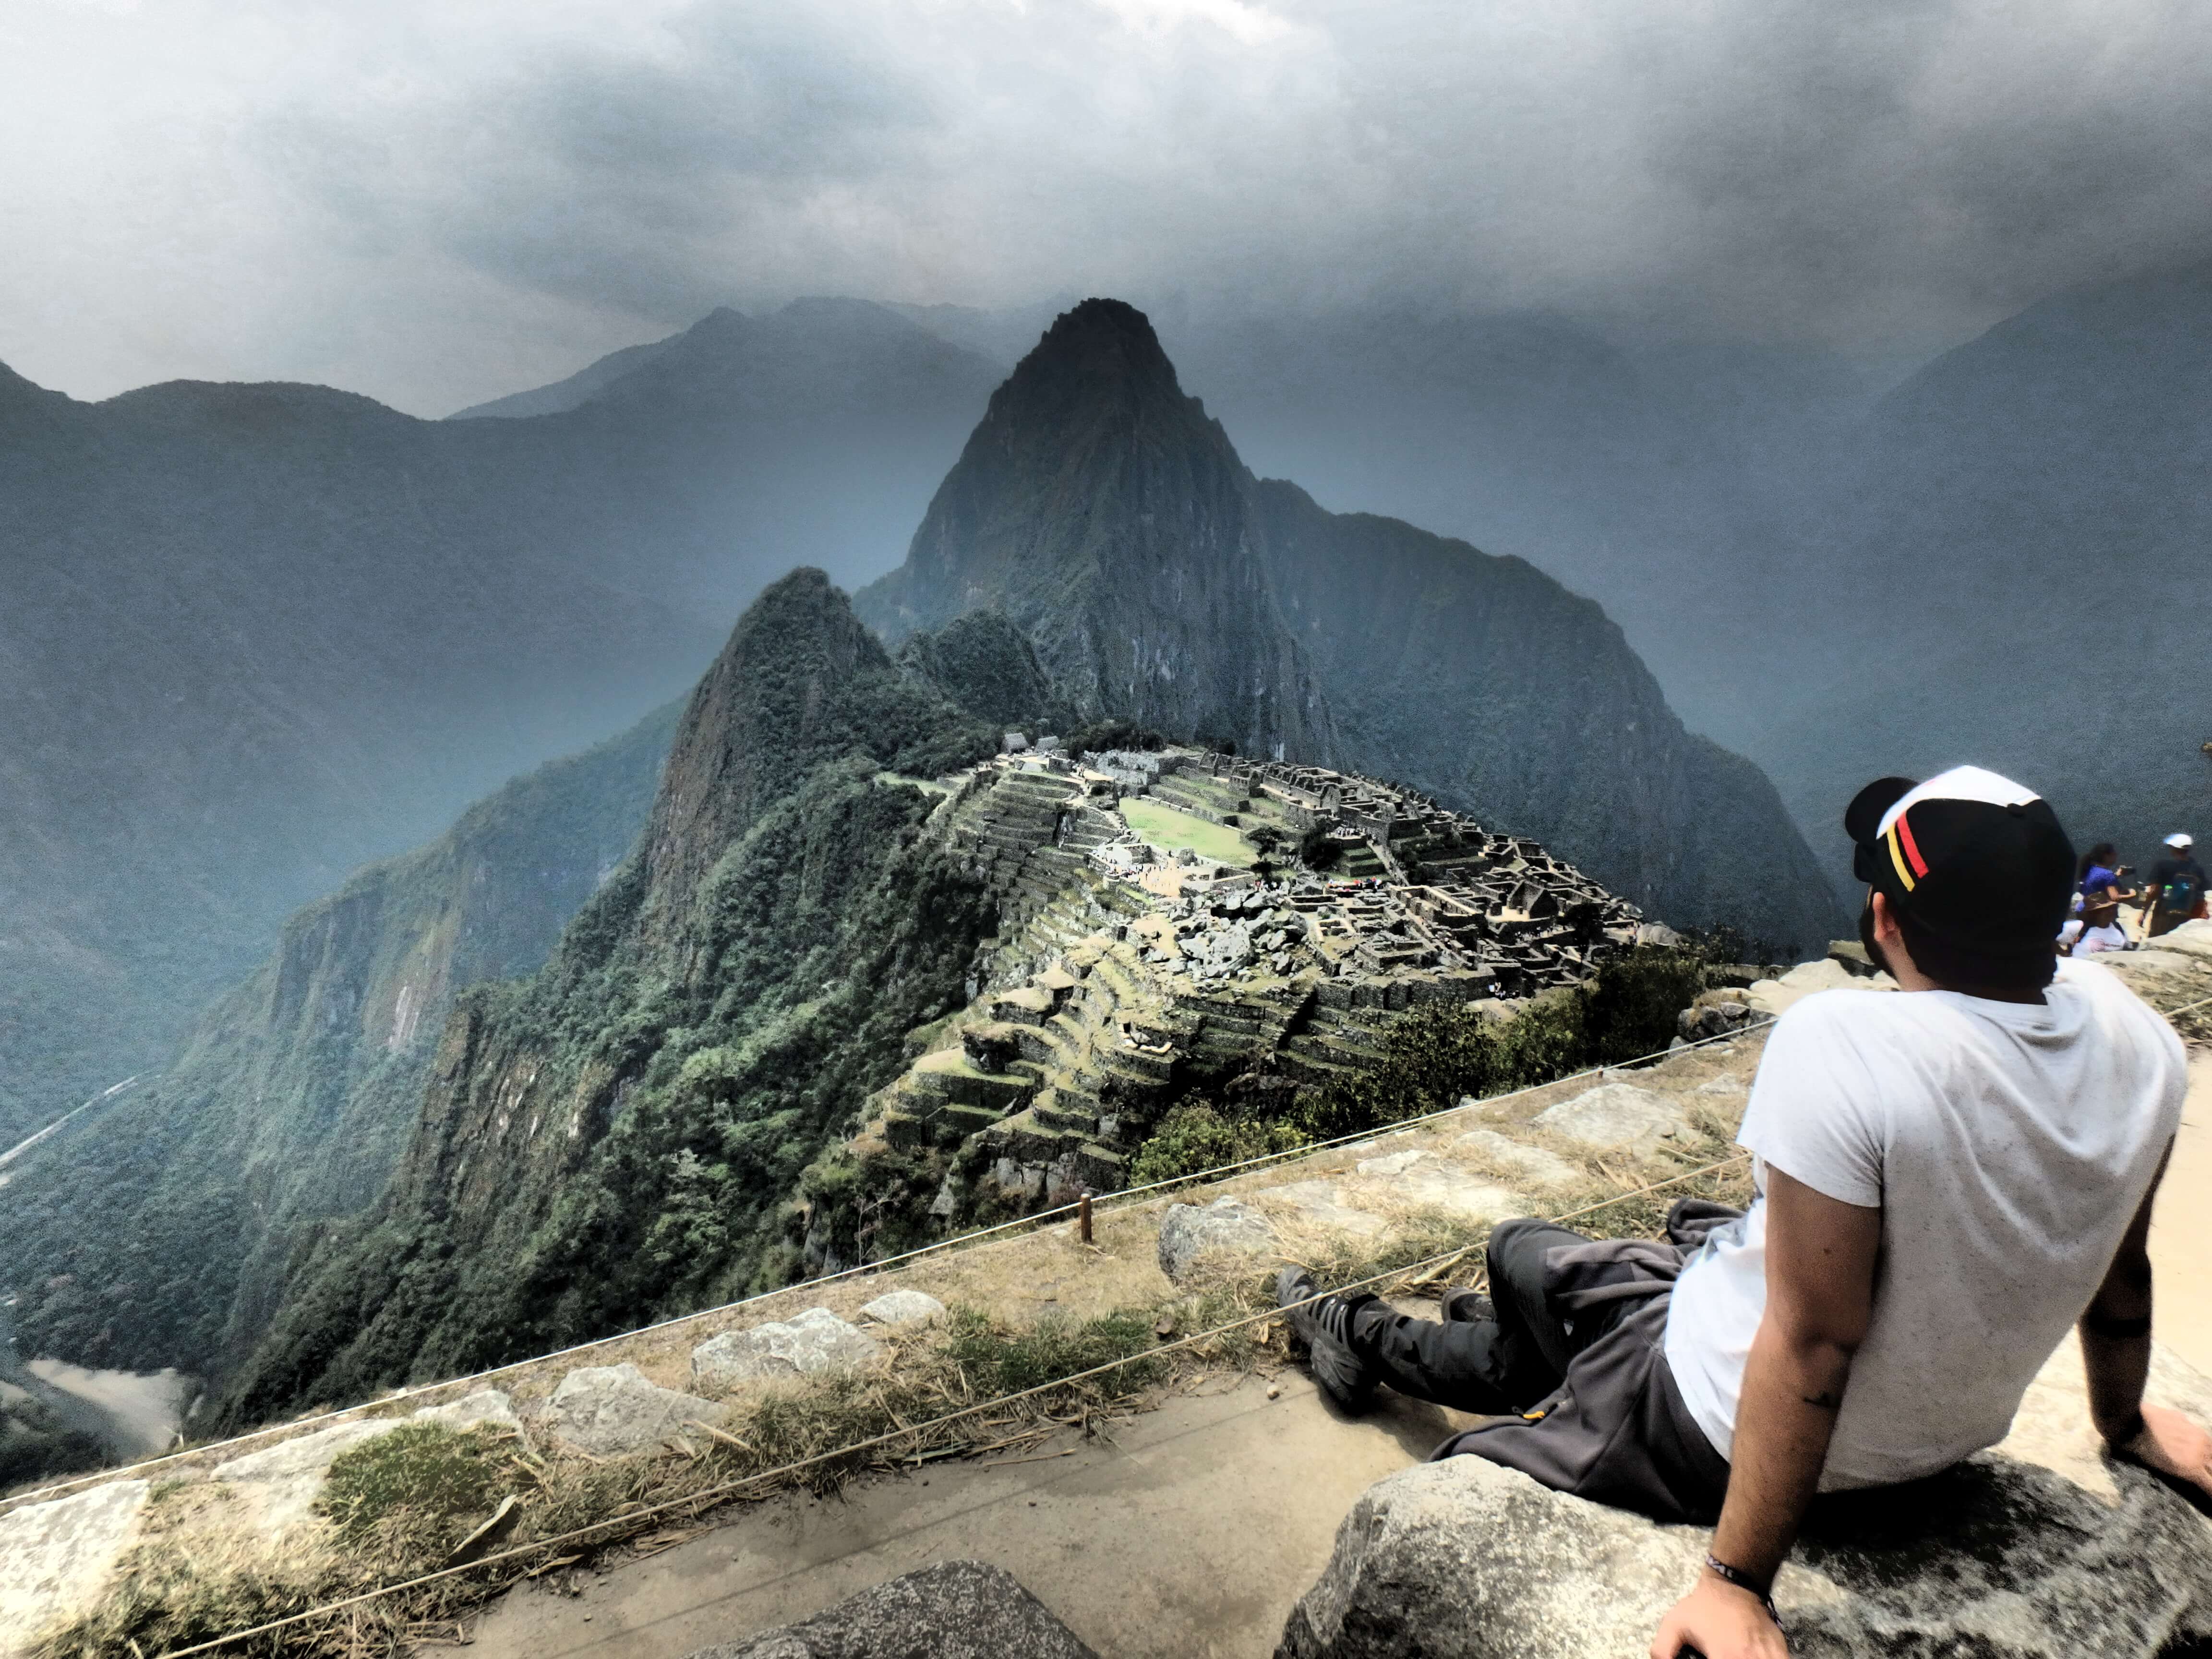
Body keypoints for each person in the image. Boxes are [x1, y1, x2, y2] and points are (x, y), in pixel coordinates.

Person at [1276, 765, 2206, 1659]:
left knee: (1517, 1270)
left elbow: (1813, 1340)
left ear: (1883, 917)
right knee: (1539, 1270)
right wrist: (2124, 1422)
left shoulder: (1845, 1041)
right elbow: (2120, 1266)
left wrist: (1735, 1581)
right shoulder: (2141, 1039)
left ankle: (1353, 1330)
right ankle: (1426, 1339)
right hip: (1926, 1429)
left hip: (1710, 1420)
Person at [2066, 841, 2134, 955]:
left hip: (2085, 910)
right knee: (2120, 936)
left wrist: (2116, 876)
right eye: (2114, 854)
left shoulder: (2091, 870)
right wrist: (2133, 894)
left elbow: (2098, 883)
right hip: (2100, 913)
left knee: (2084, 933)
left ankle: (2073, 950)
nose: (2116, 856)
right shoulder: (2107, 875)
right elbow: (2115, 898)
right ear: (2107, 856)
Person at [2140, 832, 2208, 939]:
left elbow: (2154, 891)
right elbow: (2201, 897)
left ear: (2173, 848)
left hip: (2164, 914)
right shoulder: (2198, 869)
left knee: (2157, 941)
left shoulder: (2163, 865)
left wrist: (2143, 912)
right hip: (2187, 917)